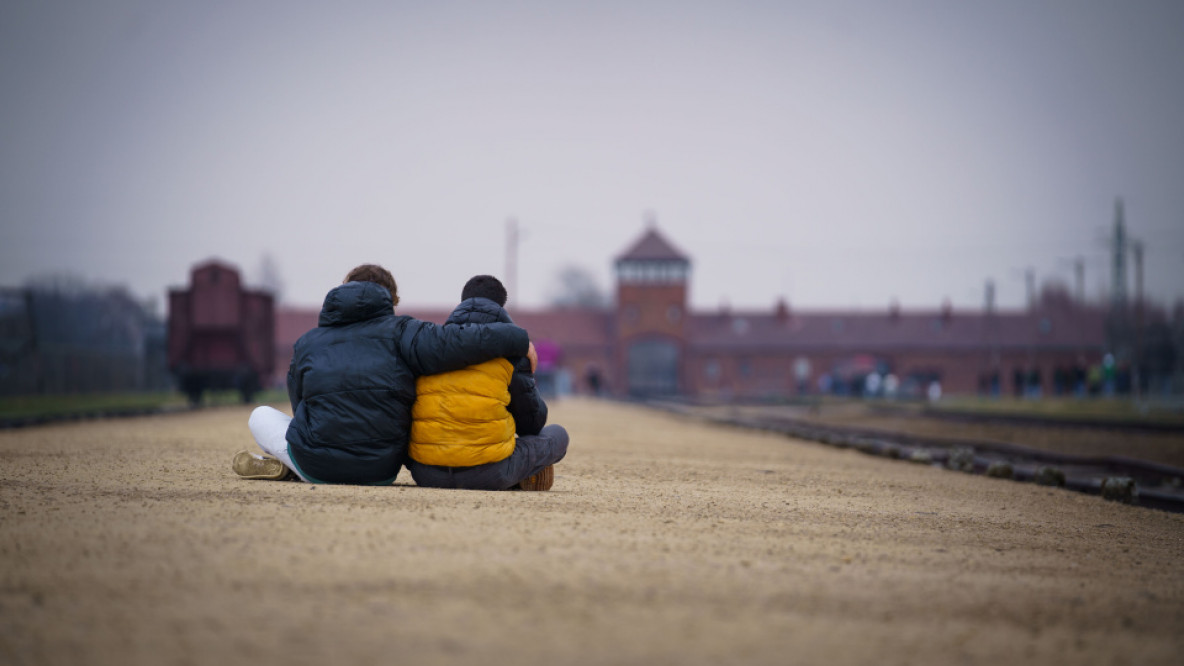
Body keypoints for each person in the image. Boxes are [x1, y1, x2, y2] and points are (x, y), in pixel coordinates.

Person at [234, 264, 533, 485]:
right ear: (391, 301)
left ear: (341, 292)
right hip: (381, 470)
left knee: (259, 415)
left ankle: (292, 468)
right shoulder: (405, 333)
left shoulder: (307, 343)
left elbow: (299, 407)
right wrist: (520, 341)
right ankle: (293, 468)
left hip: (316, 464)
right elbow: (459, 342)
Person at [406, 275, 569, 491]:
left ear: (462, 302)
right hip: (488, 474)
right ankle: (520, 475)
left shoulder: (430, 347)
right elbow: (532, 424)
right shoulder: (512, 355)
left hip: (427, 473)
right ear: (501, 306)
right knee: (557, 435)